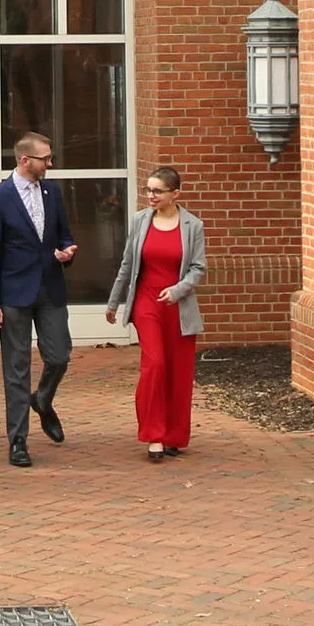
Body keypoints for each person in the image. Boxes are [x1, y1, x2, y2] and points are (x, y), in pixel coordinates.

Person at [0, 130, 76, 468]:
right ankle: (18, 440)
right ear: (25, 160)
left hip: (50, 287)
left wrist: (68, 251)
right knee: (16, 369)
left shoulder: (52, 191)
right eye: (45, 159)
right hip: (13, 293)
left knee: (60, 355)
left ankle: (43, 399)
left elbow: (64, 232)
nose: (50, 163)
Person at [105, 166, 206, 460]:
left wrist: (178, 290)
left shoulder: (193, 226)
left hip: (178, 306)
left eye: (158, 191)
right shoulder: (140, 221)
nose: (151, 196)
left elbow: (198, 268)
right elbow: (127, 264)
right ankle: (154, 435)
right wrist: (114, 302)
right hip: (147, 302)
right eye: (149, 190)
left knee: (178, 369)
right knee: (155, 364)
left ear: (175, 194)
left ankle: (174, 435)